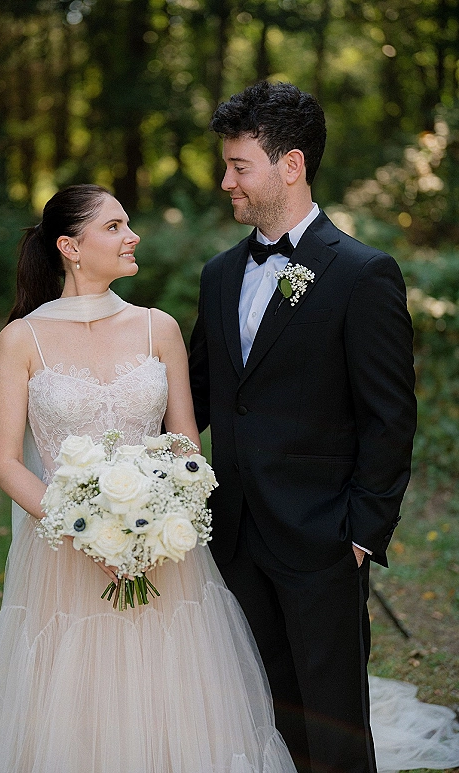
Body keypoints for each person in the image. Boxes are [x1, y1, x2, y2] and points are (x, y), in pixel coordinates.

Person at [0, 184, 297, 773]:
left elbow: (184, 443)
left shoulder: (160, 328)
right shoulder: (21, 340)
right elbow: (6, 462)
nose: (133, 236)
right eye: (115, 226)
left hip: (163, 552)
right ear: (70, 247)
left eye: (128, 224)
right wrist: (84, 530)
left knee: (165, 684)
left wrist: (163, 517)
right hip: (61, 553)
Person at [189, 80, 454, 773]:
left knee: (332, 730)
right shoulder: (219, 275)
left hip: (323, 544)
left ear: (292, 164)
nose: (226, 182)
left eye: (238, 165)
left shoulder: (363, 273)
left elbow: (391, 416)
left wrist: (362, 535)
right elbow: (196, 397)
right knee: (253, 713)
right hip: (236, 536)